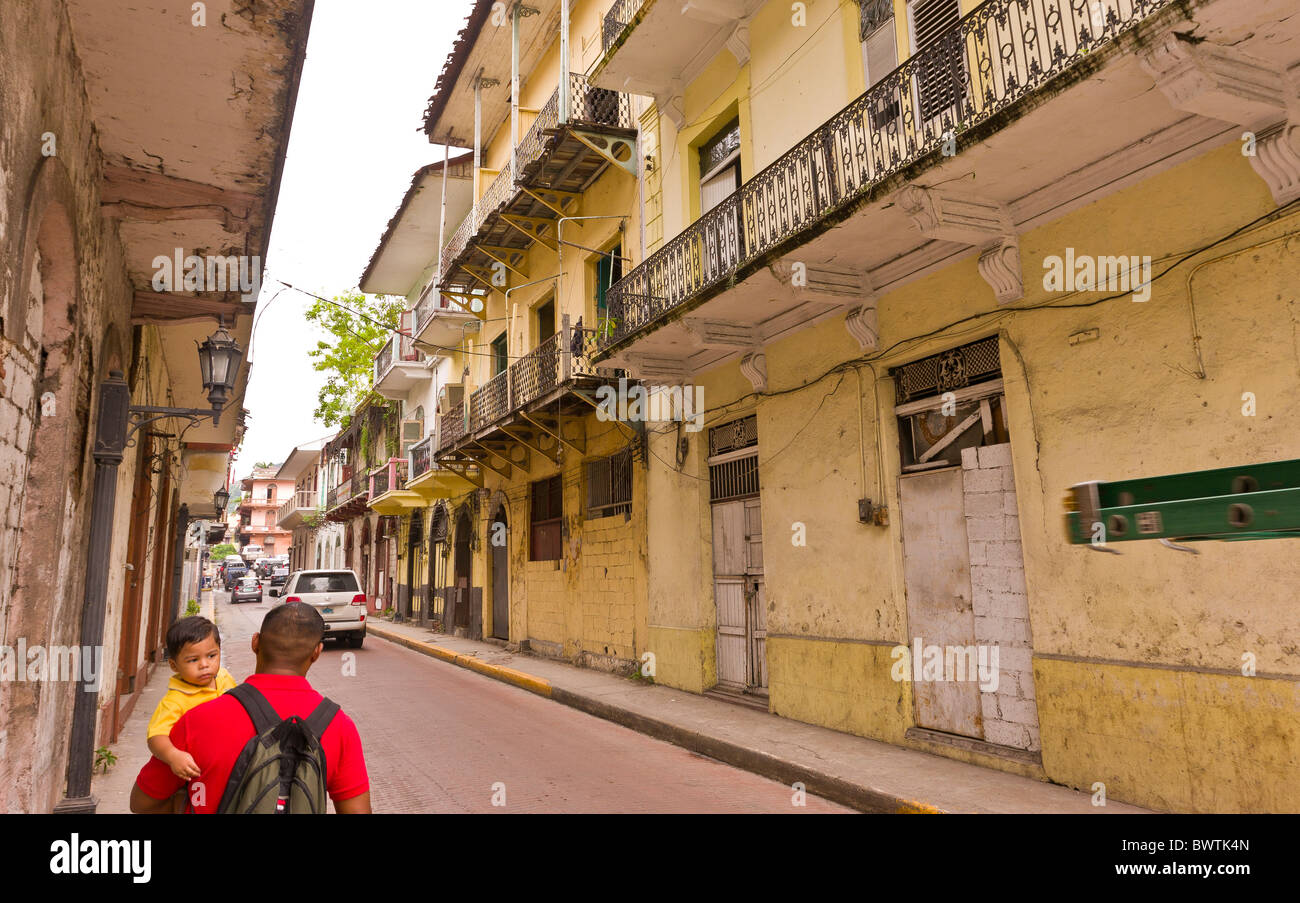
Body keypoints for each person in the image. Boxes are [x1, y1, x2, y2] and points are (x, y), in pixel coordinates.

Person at [131, 603, 371, 814]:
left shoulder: (197, 719)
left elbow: (143, 803)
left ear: (255, 642)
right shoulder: (339, 725)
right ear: (316, 652)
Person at [147, 616, 237, 781]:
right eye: (193, 660)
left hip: (230, 764)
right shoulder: (175, 700)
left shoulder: (224, 677)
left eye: (211, 656)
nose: (204, 665)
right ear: (174, 666)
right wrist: (173, 756)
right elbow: (156, 736)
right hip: (198, 772)